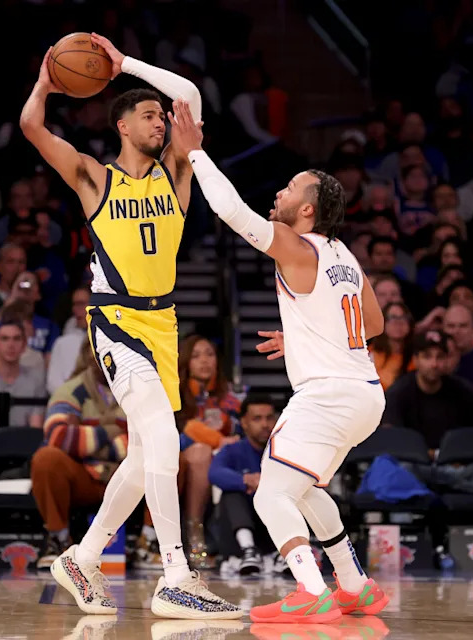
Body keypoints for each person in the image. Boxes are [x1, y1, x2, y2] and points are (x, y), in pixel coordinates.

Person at [19, 35, 238, 617]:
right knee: (164, 439)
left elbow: (187, 93)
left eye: (162, 118)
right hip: (115, 320)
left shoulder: (175, 172)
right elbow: (34, 129)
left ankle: (81, 558)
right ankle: (175, 576)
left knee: (145, 457)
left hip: (164, 323)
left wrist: (127, 65)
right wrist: (45, 82)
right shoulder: (95, 178)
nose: (161, 123)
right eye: (148, 115)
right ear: (121, 125)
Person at [173, 98, 390, 623]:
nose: (280, 191)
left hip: (329, 395)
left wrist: (196, 155)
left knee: (271, 491)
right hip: (365, 396)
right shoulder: (343, 255)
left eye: (291, 188)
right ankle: (356, 585)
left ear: (308, 209)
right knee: (306, 488)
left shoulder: (298, 247)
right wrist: (308, 335)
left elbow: (231, 214)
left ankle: (310, 591)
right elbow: (375, 325)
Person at [31, 339, 127, 569]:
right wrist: (114, 432)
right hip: (85, 477)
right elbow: (58, 436)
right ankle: (58, 540)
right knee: (46, 459)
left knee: (172, 459)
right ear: (89, 354)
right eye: (103, 350)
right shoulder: (71, 390)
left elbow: (153, 438)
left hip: (128, 479)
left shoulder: (141, 389)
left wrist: (86, 437)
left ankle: (151, 542)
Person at [383, 331, 473, 495]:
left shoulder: (462, 390)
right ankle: (404, 521)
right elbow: (394, 439)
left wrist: (459, 456)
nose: (434, 364)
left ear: (447, 360)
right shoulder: (398, 392)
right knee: (400, 469)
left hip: (458, 465)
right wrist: (430, 455)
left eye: (440, 357)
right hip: (418, 465)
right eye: (427, 357)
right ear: (416, 360)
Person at [173, 335, 241, 570]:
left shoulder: (229, 395)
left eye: (209, 354)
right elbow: (175, 436)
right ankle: (194, 530)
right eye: (196, 355)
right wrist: (217, 439)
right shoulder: (176, 394)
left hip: (224, 461)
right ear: (185, 362)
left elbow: (241, 431)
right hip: (184, 460)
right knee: (201, 451)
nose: (204, 361)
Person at [208, 394, 282, 575]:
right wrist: (245, 480)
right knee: (231, 492)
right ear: (245, 423)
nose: (265, 424)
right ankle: (248, 550)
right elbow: (214, 473)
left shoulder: (285, 449)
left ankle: (286, 552)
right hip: (237, 530)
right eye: (257, 419)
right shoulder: (233, 450)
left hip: (272, 526)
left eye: (269, 418)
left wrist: (264, 483)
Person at [368, 302, 415, 390]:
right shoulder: (368, 354)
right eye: (392, 317)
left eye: (403, 318)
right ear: (383, 323)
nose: (398, 322)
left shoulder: (417, 356)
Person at [443, 304, 473, 387]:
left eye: (463, 326)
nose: (456, 331)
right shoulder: (433, 359)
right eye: (451, 326)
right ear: (442, 329)